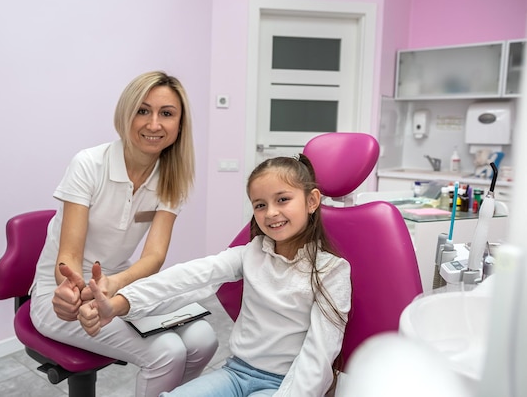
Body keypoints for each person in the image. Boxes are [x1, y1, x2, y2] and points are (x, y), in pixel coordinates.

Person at [76, 154, 352, 397]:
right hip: (236, 373)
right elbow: (191, 275)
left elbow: (318, 357)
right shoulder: (251, 253)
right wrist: (120, 302)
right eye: (260, 205)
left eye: (282, 199)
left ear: (312, 200)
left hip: (285, 384)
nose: (271, 213)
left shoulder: (330, 271)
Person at [30, 71, 219, 397]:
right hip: (60, 296)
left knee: (204, 339)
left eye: (167, 113)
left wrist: (115, 286)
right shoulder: (89, 164)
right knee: (167, 352)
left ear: (179, 124)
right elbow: (70, 256)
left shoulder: (171, 179)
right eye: (143, 110)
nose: (154, 124)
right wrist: (71, 292)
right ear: (126, 114)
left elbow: (154, 256)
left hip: (119, 285)